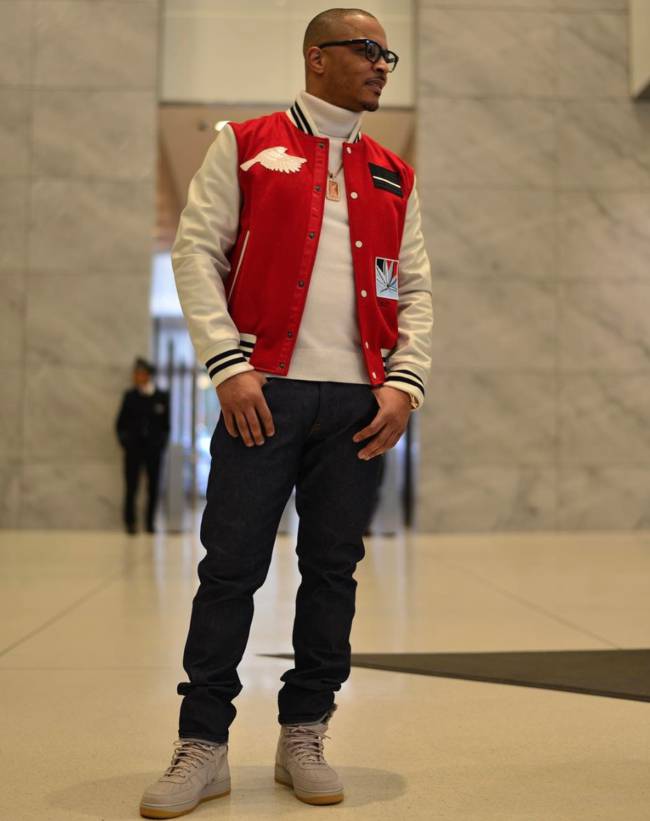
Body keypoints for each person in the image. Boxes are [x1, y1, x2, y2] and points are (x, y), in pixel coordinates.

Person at [139, 7, 432, 817]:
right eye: (367, 50)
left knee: (332, 570)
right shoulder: (245, 143)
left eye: (389, 55)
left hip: (359, 405)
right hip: (262, 395)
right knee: (231, 567)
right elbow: (196, 252)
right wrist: (228, 365)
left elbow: (414, 287)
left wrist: (405, 383)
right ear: (317, 57)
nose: (382, 65)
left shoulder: (394, 172)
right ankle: (203, 743)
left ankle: (305, 730)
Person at [115, 358, 170, 535]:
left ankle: (150, 523)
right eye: (136, 374)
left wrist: (160, 444)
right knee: (131, 486)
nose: (137, 377)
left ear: (148, 375)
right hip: (134, 450)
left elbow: (166, 426)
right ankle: (130, 522)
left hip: (154, 451)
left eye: (140, 373)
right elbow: (120, 424)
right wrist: (126, 443)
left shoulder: (161, 397)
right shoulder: (130, 396)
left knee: (153, 487)